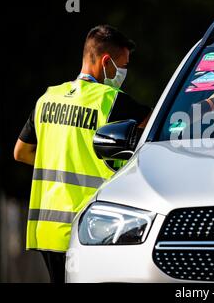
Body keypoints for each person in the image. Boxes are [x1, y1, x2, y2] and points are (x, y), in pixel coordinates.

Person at [13, 25, 151, 283]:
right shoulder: (112, 100)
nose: (124, 73)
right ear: (106, 61)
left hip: (47, 231)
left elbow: (21, 152)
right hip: (89, 230)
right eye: (123, 65)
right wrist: (210, 104)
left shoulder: (47, 98)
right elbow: (159, 126)